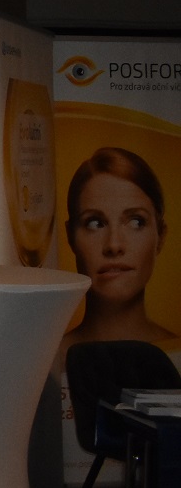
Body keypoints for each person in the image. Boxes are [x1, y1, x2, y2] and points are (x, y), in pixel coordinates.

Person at [58, 146, 173, 359]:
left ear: (161, 235)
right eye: (95, 223)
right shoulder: (47, 360)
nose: (113, 245)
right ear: (70, 236)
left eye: (136, 222)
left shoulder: (175, 352)